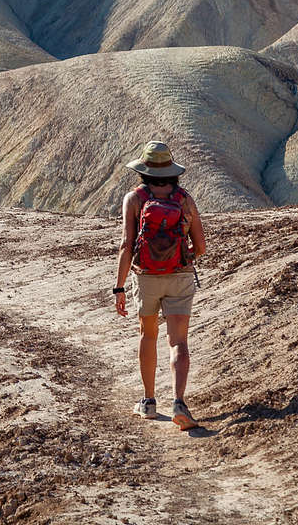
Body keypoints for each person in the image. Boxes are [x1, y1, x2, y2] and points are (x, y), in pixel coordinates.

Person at [112, 140, 207, 430]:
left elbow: (127, 246)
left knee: (148, 336)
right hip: (179, 275)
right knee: (178, 341)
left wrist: (119, 287)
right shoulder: (183, 199)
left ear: (144, 169)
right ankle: (179, 403)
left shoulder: (135, 198)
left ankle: (149, 402)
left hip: (146, 277)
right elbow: (201, 245)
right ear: (172, 169)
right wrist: (183, 258)